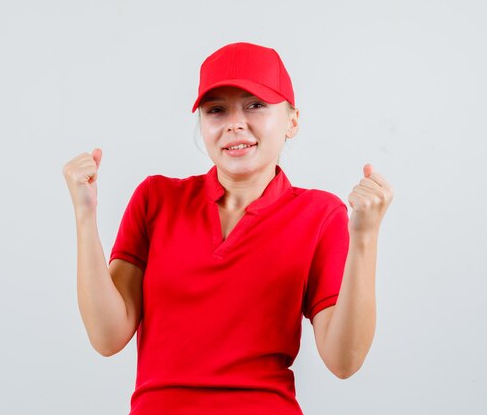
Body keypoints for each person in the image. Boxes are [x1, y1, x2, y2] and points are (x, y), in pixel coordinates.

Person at [62, 42, 394, 415]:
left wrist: (365, 237)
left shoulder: (320, 214)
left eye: (255, 105)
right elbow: (107, 336)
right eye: (216, 110)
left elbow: (344, 360)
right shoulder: (156, 199)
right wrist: (84, 216)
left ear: (292, 120)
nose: (235, 123)